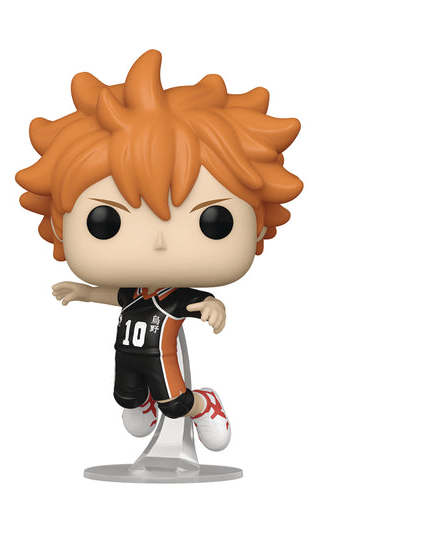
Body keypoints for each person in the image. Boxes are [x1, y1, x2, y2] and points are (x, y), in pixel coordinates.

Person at [16, 50, 303, 452]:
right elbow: (115, 296)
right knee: (126, 399)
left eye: (214, 221)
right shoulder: (137, 293)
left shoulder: (173, 298)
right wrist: (83, 292)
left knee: (177, 403)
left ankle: (205, 404)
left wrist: (213, 306)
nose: (159, 242)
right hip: (129, 358)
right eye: (105, 221)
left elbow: (201, 303)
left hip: (164, 363)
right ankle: (143, 405)